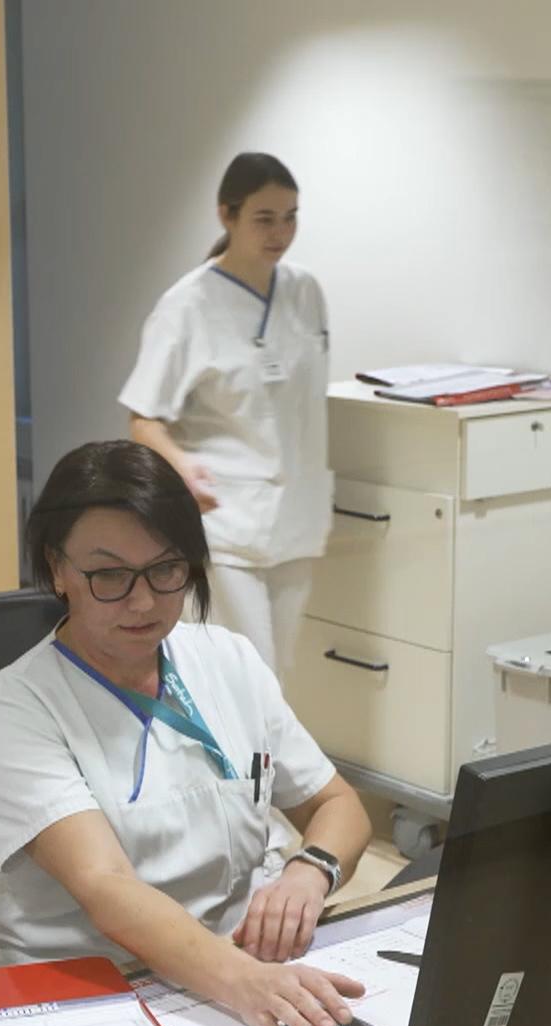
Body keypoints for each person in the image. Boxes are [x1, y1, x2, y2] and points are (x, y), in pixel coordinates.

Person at [0, 440, 373, 1026]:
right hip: (81, 999)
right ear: (57, 570)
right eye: (108, 576)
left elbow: (338, 803)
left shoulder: (226, 660)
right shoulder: (16, 709)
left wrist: (310, 870)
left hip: (229, 978)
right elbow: (106, 889)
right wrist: (246, 984)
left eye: (166, 570)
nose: (144, 601)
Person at [120, 152, 332, 675]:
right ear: (227, 215)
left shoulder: (305, 292)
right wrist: (182, 465)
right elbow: (143, 419)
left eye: (291, 216)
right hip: (227, 520)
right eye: (265, 218)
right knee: (247, 676)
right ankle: (238, 760)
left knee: (277, 678)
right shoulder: (187, 306)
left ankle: (257, 760)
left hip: (297, 521)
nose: (280, 231)